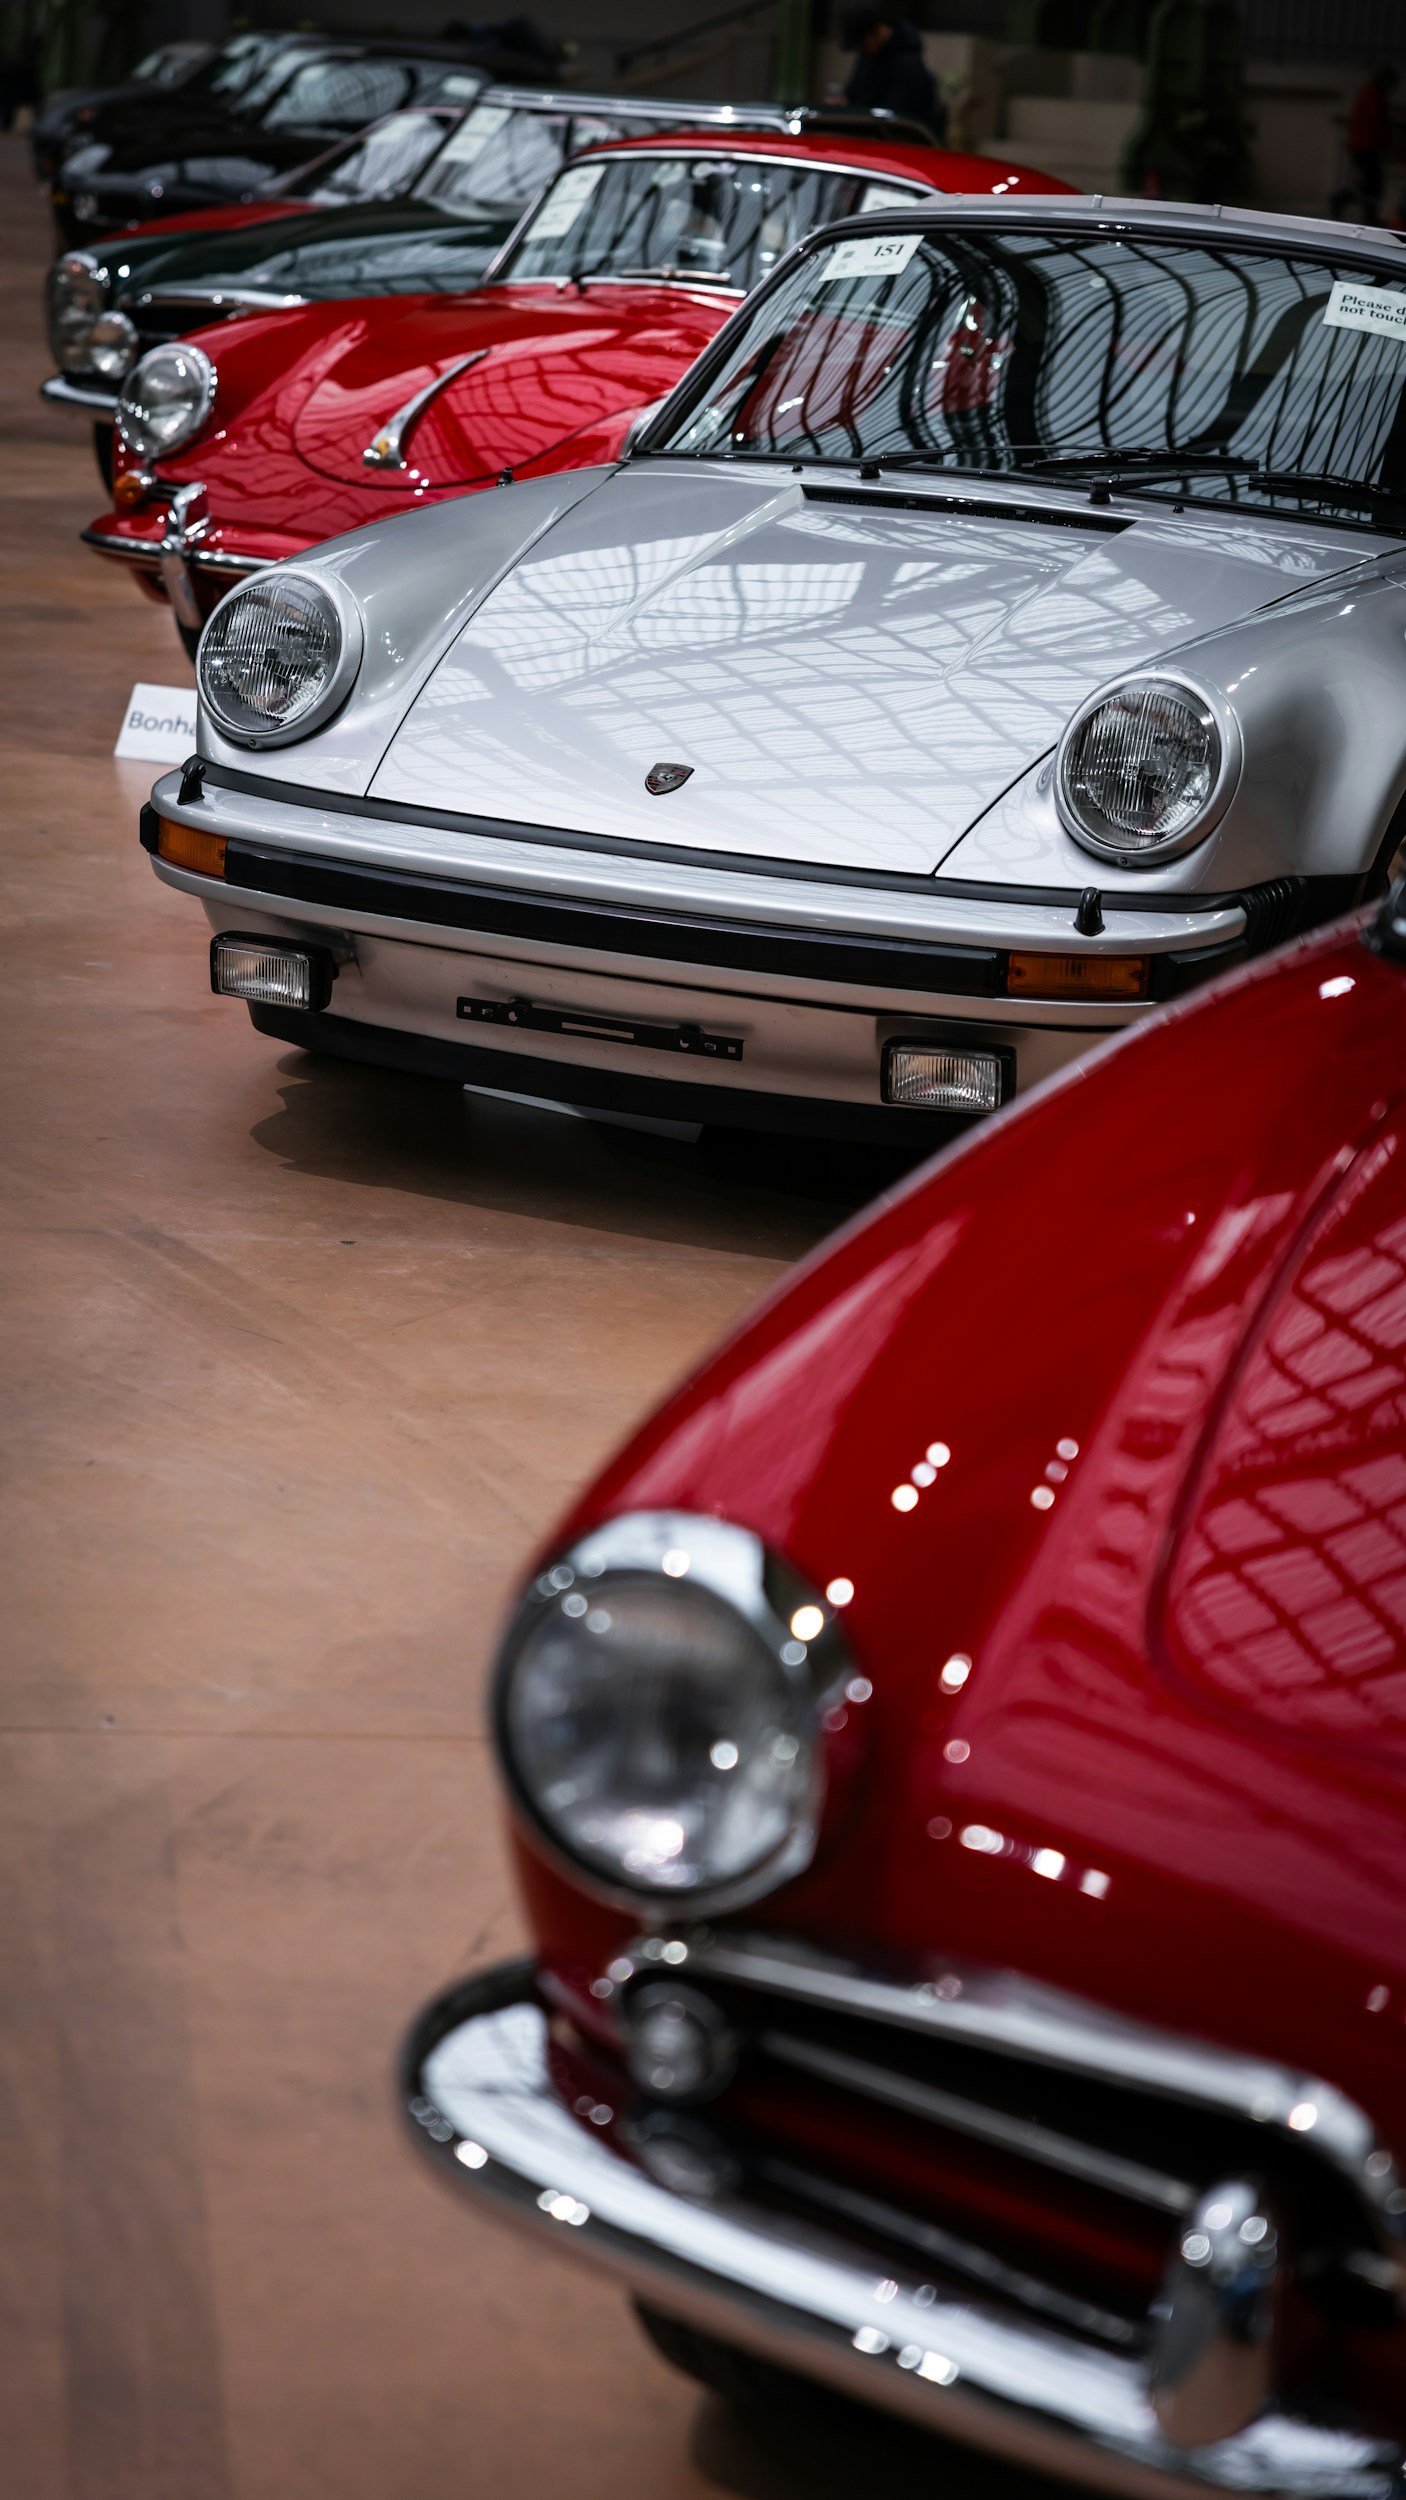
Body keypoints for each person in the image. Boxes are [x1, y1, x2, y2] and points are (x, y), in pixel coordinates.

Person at [837, 7, 946, 140]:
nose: (862, 50)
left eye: (863, 44)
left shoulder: (908, 63)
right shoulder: (869, 56)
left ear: (878, 31)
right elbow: (853, 92)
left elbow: (897, 113)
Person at [1332, 63, 1398, 226]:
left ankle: (1368, 213)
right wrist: (1385, 141)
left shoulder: (1372, 94)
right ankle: (1343, 201)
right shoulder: (1373, 95)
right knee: (1371, 183)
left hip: (1364, 145)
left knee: (1371, 183)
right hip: (1366, 146)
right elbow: (1374, 122)